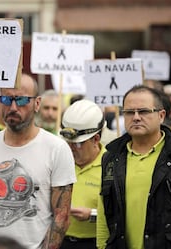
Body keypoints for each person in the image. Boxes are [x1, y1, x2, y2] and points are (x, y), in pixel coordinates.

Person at [0, 73, 76, 248]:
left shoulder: (56, 149)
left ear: (37, 103)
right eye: (6, 99)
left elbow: (61, 217)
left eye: (21, 100)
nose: (13, 107)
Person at [97, 85, 171, 249]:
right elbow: (104, 215)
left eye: (143, 111)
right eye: (129, 112)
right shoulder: (110, 158)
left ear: (161, 115)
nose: (135, 117)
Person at [59, 99, 106, 249]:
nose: (71, 148)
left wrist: (92, 215)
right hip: (60, 241)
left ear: (96, 139)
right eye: (68, 142)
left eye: (78, 143)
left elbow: (121, 213)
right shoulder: (58, 160)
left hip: (94, 243)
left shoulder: (112, 166)